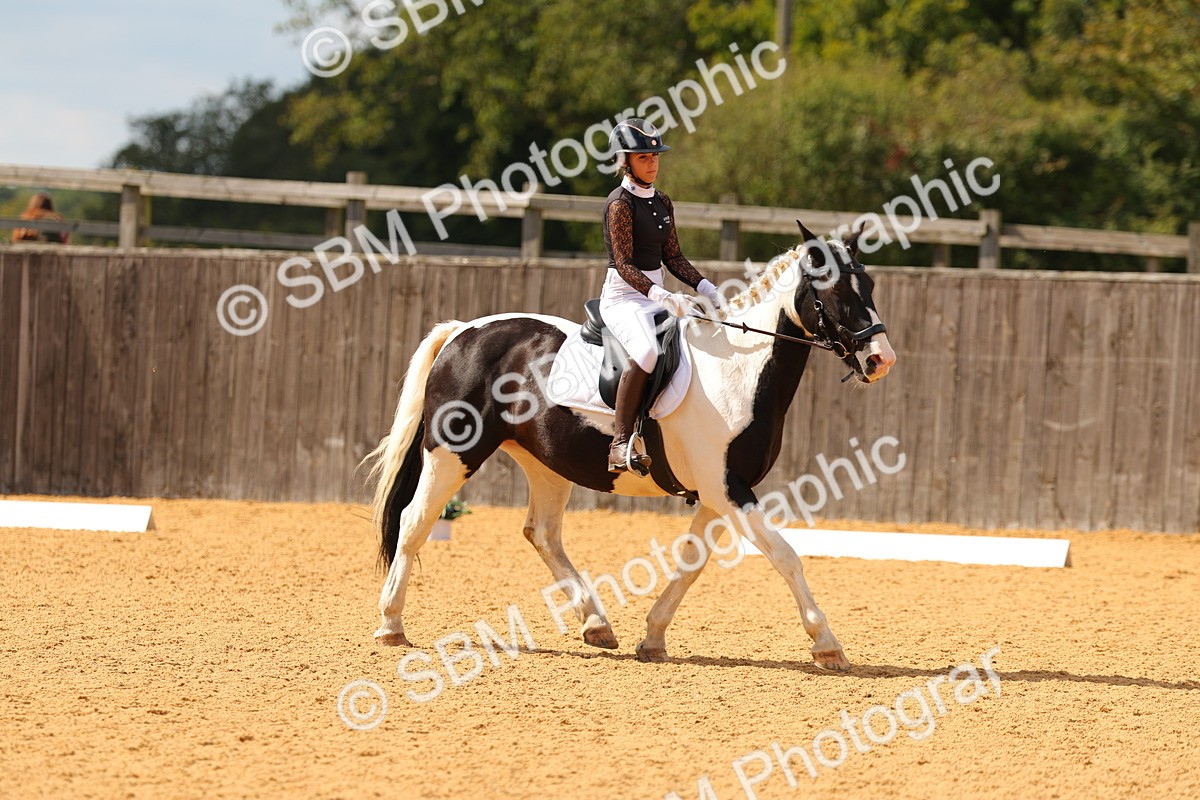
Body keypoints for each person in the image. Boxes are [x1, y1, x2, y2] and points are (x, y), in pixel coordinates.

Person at [600, 118, 723, 473]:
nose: (652, 163)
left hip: (654, 295)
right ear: (625, 161)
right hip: (623, 298)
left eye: (655, 156)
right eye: (643, 157)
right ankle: (619, 442)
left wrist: (706, 287)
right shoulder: (619, 204)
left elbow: (673, 256)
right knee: (648, 350)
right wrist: (660, 294)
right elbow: (623, 263)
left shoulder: (662, 202)